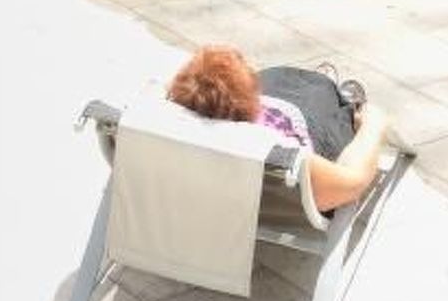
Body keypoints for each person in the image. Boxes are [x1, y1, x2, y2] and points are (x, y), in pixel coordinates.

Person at [166, 45, 392, 212]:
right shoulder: (276, 153)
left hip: (218, 187)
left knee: (289, 85)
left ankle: (324, 84)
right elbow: (353, 182)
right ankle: (336, 93)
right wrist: (373, 126)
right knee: (326, 105)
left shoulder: (167, 138)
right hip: (304, 143)